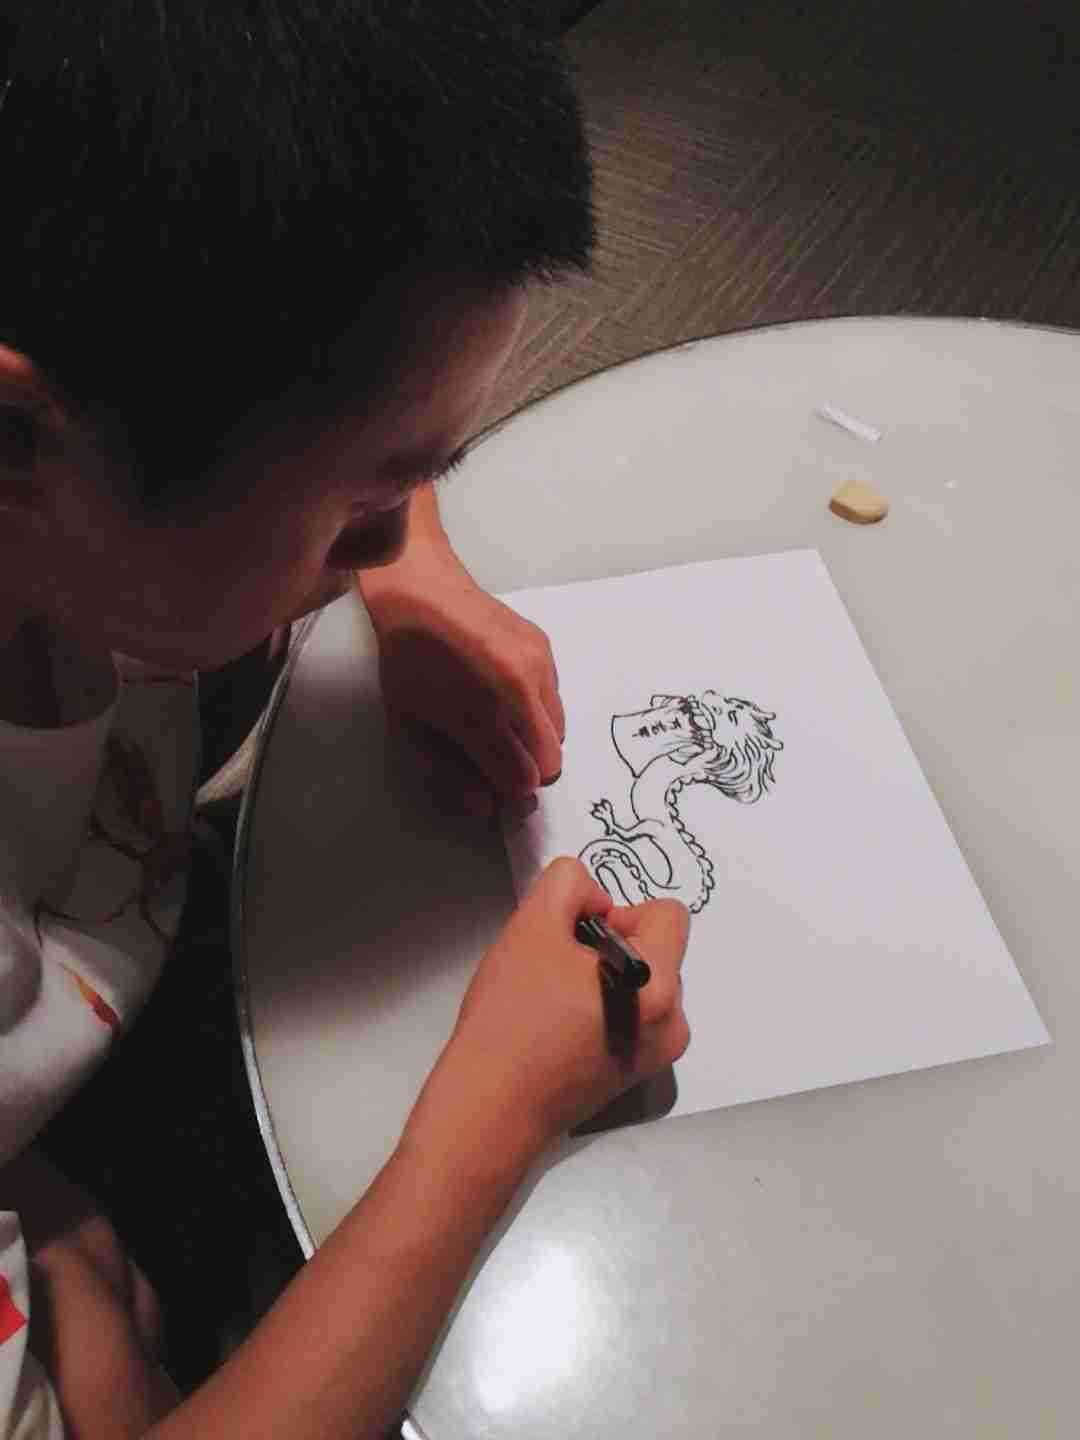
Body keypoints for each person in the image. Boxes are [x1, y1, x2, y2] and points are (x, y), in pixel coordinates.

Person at [0, 3, 692, 1436]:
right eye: (368, 501)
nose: (391, 534)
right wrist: (499, 1110)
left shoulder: (97, 452)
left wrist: (408, 563)